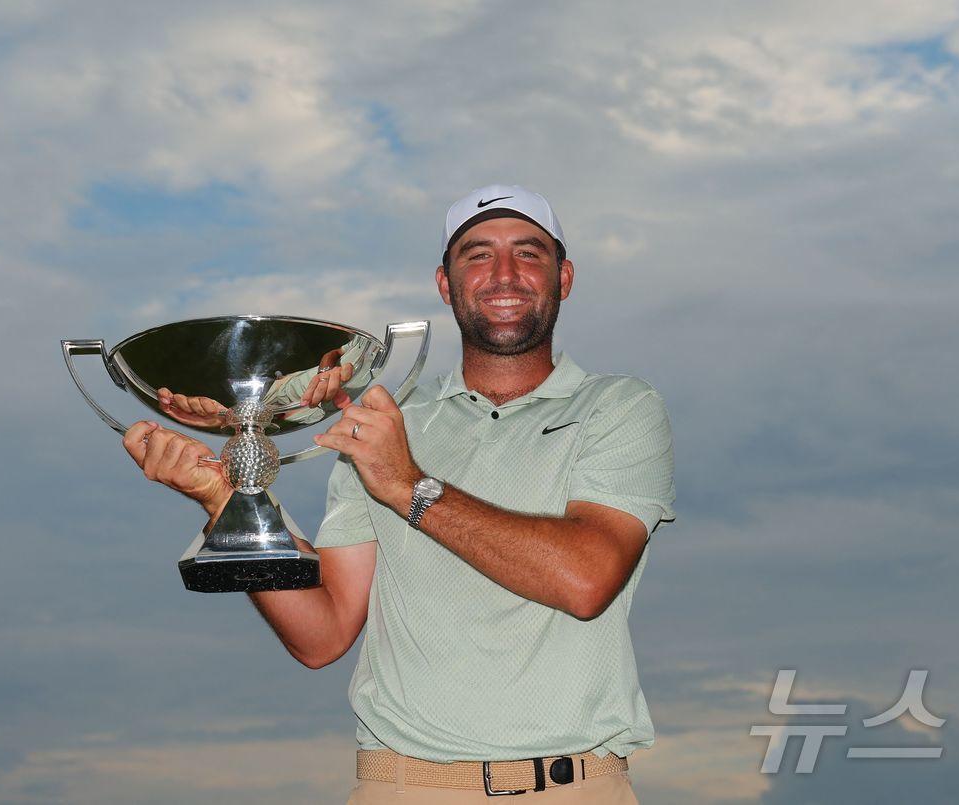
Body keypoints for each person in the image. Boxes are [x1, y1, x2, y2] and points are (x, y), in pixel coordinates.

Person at [123, 185, 675, 802]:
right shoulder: (385, 425)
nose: (504, 274)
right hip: (403, 785)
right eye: (476, 255)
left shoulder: (619, 406)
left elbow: (585, 579)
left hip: (575, 786)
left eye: (529, 253)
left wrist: (408, 486)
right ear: (444, 284)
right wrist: (225, 500)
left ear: (563, 276)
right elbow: (321, 635)